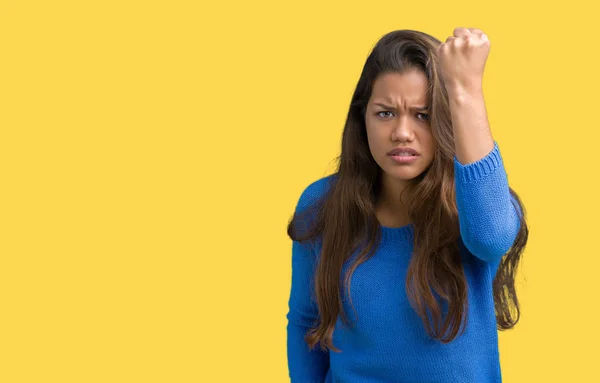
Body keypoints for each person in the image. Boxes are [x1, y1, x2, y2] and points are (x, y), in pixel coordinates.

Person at [285, 27, 529, 383]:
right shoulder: (322, 204)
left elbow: (491, 238)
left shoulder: (476, 202)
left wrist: (465, 91)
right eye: (385, 114)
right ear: (362, 118)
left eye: (423, 115)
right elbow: (307, 321)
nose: (402, 132)